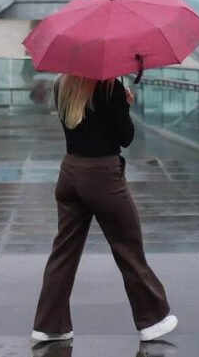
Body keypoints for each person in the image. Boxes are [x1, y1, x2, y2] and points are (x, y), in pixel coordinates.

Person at [32, 75, 177, 345]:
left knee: (63, 252)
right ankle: (153, 320)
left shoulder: (62, 84)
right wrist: (123, 104)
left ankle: (49, 325)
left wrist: (119, 103)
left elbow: (80, 124)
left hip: (69, 173)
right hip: (102, 176)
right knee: (128, 247)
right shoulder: (109, 87)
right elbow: (126, 137)